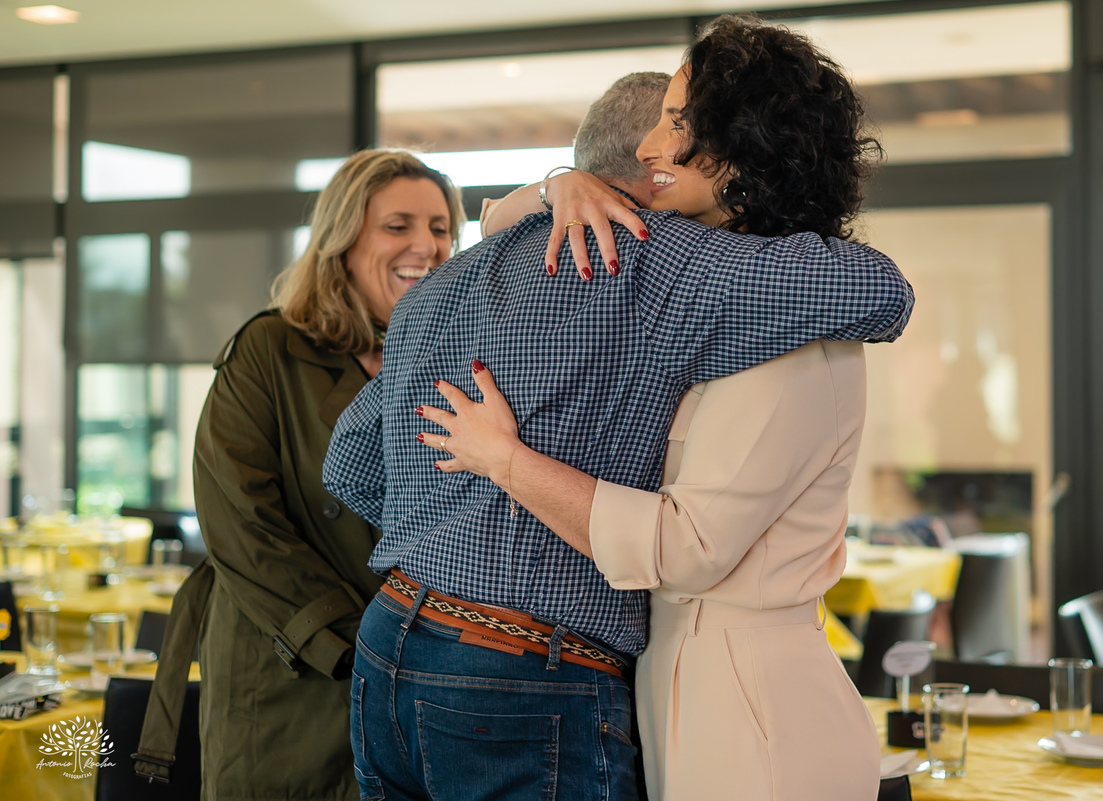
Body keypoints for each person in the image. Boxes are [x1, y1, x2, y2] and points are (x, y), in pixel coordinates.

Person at [323, 65, 911, 801]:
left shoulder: (447, 282)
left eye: (681, 122)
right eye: (664, 125)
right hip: (521, 674)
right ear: (651, 164)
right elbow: (880, 292)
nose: (668, 142)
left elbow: (350, 466)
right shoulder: (661, 259)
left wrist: (460, 522)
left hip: (389, 648)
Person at [131, 149, 464, 801]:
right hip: (288, 677)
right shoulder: (268, 350)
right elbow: (241, 521)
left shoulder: (450, 359)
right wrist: (352, 643)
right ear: (343, 240)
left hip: (418, 683)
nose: (426, 245)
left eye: (441, 228)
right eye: (398, 226)